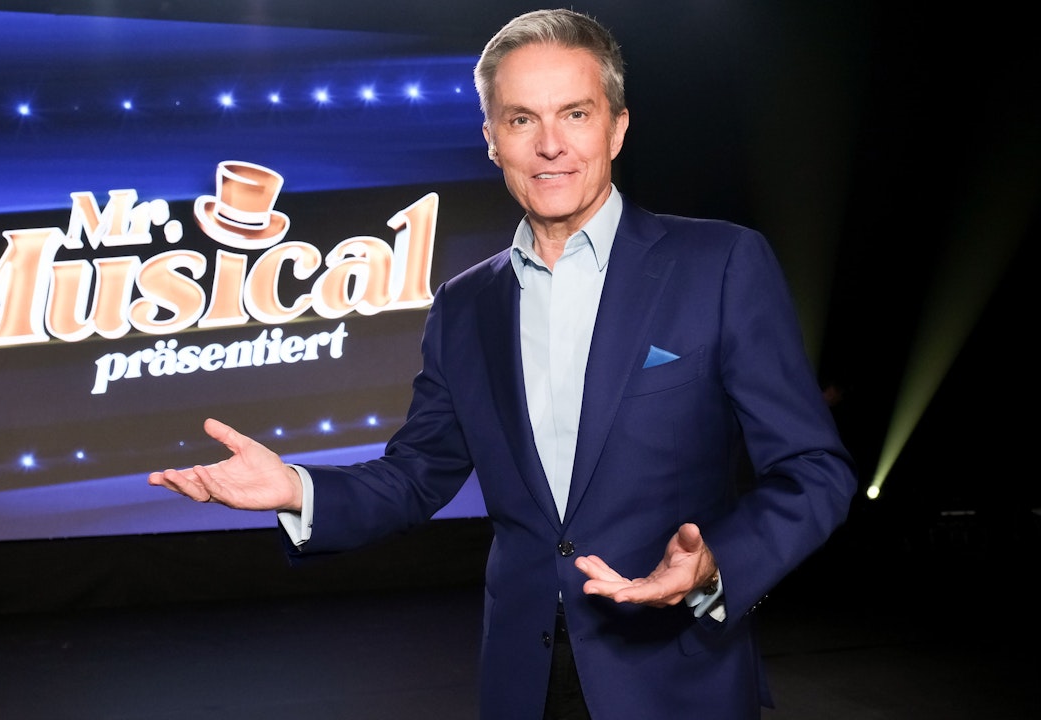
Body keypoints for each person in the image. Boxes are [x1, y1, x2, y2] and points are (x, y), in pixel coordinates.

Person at [150, 8, 856, 719]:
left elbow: (814, 470)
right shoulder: (464, 305)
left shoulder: (721, 264)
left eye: (575, 114)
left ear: (616, 128)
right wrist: (295, 490)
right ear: (491, 139)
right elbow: (417, 474)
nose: (550, 144)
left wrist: (716, 563)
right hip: (523, 681)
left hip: (678, 678)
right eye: (521, 119)